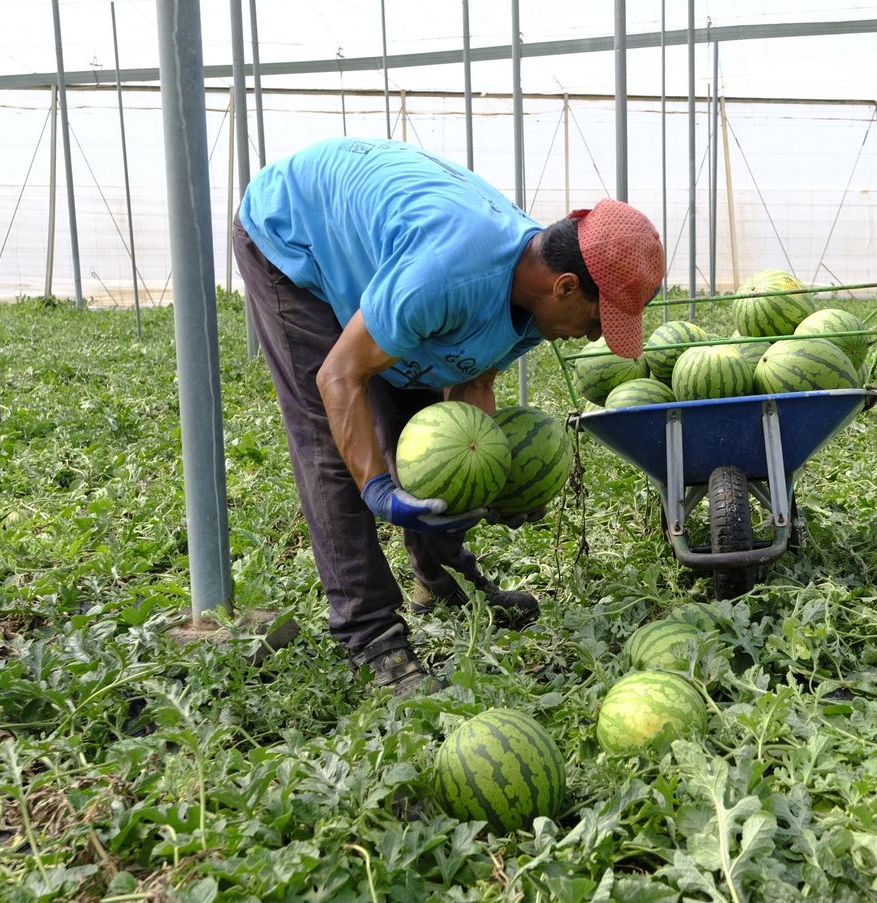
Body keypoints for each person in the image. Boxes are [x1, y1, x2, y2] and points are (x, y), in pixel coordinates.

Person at [232, 138, 664, 695]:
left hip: (391, 260)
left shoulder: (534, 295)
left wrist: (485, 486)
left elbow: (472, 378)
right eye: (598, 318)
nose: (595, 335)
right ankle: (370, 636)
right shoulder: (448, 273)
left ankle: (440, 575)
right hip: (293, 232)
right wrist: (378, 487)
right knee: (333, 443)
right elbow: (339, 378)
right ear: (565, 286)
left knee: (426, 422)